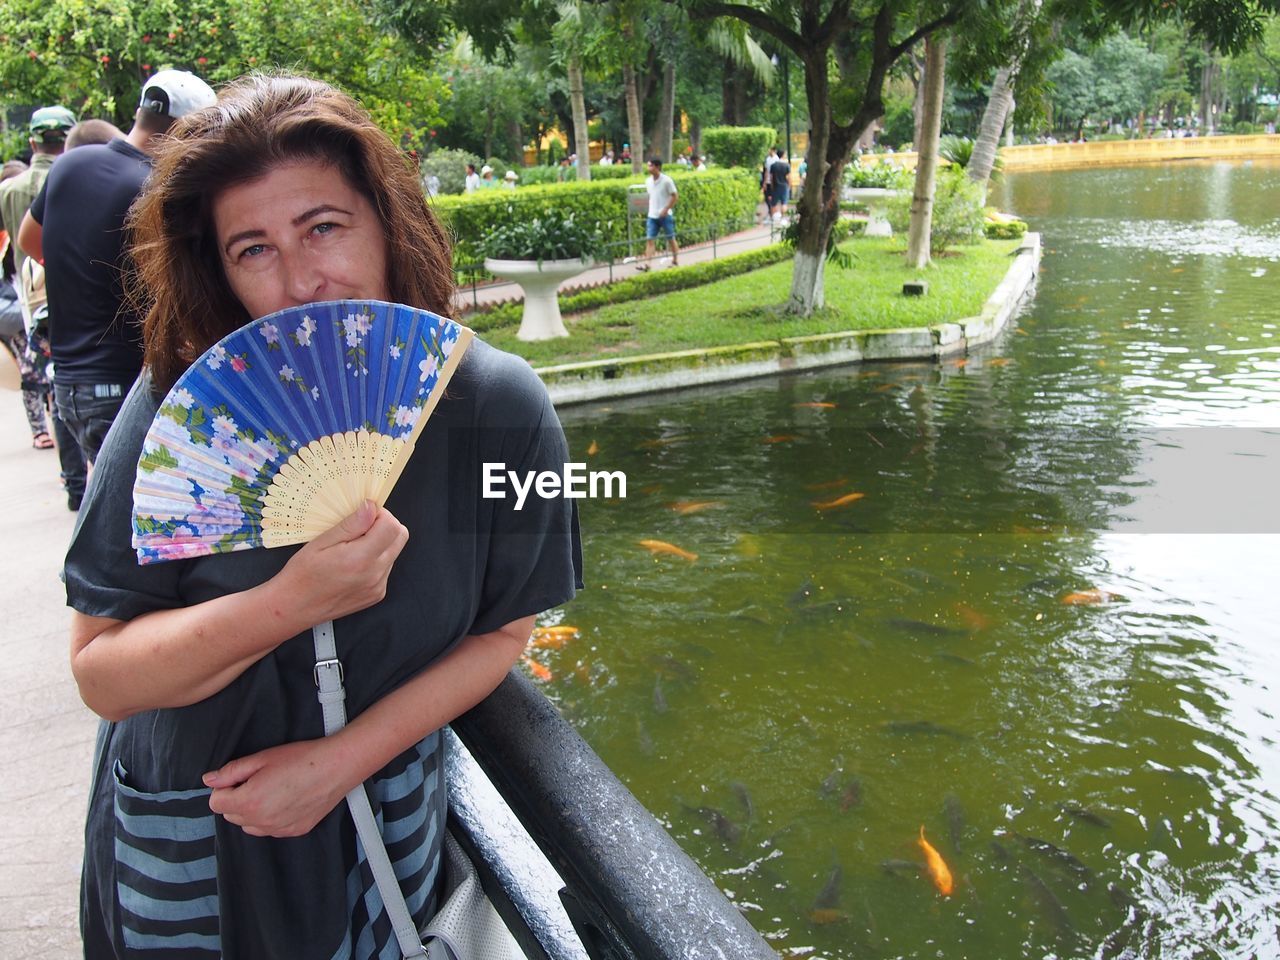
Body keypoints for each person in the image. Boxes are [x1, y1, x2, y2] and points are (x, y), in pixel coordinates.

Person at [66, 72, 583, 959]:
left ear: (389, 223)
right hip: (190, 833)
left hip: (384, 820)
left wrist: (340, 765)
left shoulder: (497, 407)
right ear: (219, 270)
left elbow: (506, 630)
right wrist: (298, 598)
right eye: (253, 249)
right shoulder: (186, 406)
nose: (303, 281)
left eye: (324, 227)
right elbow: (102, 673)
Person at [19, 70, 217, 472]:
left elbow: (29, 241)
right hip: (123, 387)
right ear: (183, 131)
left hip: (69, 386)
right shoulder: (155, 193)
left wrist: (83, 272)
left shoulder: (70, 165)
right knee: (139, 524)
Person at [0, 106, 75, 454]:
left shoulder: (10, 190)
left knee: (38, 366)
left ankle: (51, 440)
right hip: (68, 287)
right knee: (65, 371)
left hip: (28, 291)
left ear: (33, 142)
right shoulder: (73, 174)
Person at [640, 156, 679, 270]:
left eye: (651, 165)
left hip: (665, 215)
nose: (648, 168)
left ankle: (675, 260)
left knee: (670, 238)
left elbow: (675, 196)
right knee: (650, 239)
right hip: (652, 215)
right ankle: (647, 263)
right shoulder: (648, 181)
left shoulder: (667, 180)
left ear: (657, 167)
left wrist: (666, 209)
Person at [770, 149, 792, 222]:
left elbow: (771, 177)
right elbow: (789, 177)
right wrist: (789, 185)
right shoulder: (786, 165)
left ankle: (773, 218)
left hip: (776, 185)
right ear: (783, 155)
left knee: (774, 203)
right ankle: (783, 218)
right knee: (784, 202)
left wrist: (772, 186)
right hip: (784, 186)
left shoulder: (773, 166)